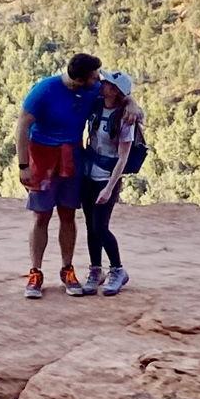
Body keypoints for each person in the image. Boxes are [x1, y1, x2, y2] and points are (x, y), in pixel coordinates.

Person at [16, 51, 103, 298]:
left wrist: (131, 104)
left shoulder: (92, 88)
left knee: (68, 214)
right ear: (81, 79)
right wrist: (24, 165)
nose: (98, 78)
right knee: (41, 216)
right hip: (42, 155)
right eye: (94, 75)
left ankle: (67, 270)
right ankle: (35, 273)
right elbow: (22, 125)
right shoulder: (45, 90)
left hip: (71, 155)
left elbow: (116, 95)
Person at [78, 70, 141, 296]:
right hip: (88, 173)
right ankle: (96, 270)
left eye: (108, 84)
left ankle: (118, 269)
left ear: (115, 91)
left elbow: (123, 156)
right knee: (89, 226)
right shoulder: (97, 104)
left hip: (106, 177)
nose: (102, 84)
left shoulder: (125, 117)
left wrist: (109, 187)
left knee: (100, 226)